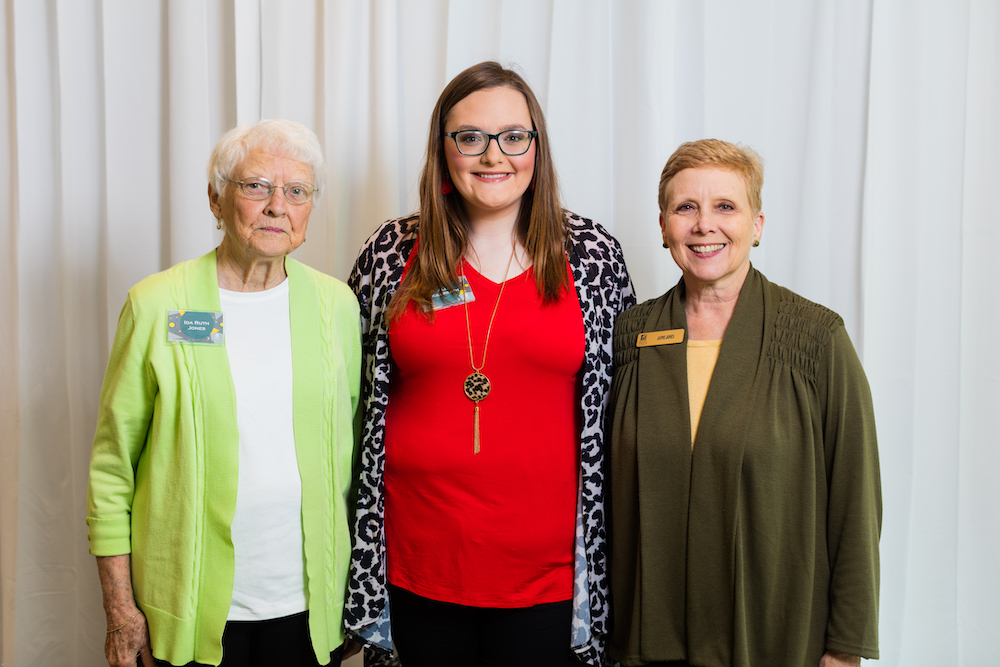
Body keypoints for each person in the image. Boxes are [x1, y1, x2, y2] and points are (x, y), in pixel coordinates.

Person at [344, 61, 635, 667]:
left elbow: (623, 412)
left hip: (549, 577)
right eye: (470, 137)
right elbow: (346, 398)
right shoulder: (391, 251)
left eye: (513, 136)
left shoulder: (592, 255)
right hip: (414, 566)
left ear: (536, 147)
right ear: (443, 150)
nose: (493, 155)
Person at [86, 119, 361, 667]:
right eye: (256, 186)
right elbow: (112, 467)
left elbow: (353, 454)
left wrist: (349, 600)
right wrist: (121, 609)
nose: (277, 205)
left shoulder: (336, 307)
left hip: (307, 608)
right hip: (189, 610)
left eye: (297, 191)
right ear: (216, 199)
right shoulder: (159, 303)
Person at [607, 139, 881, 667]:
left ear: (757, 224)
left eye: (725, 207)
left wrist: (845, 648)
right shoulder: (630, 336)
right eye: (686, 207)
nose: (704, 224)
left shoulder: (816, 337)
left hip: (774, 638)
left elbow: (856, 502)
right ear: (664, 227)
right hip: (650, 642)